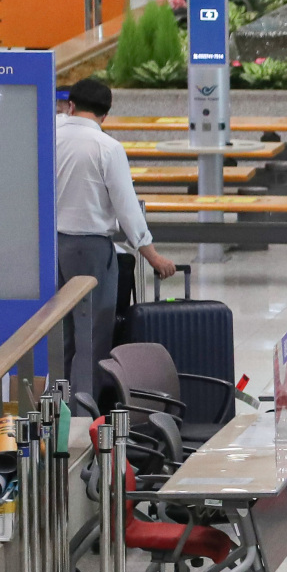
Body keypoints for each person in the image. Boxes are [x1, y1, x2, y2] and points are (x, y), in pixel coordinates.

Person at [56, 78, 176, 389]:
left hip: (50, 248)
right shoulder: (107, 147)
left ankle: (55, 415)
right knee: (92, 337)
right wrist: (152, 256)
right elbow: (127, 208)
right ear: (105, 115)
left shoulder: (47, 137)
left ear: (70, 106)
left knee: (60, 337)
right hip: (91, 252)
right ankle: (83, 417)